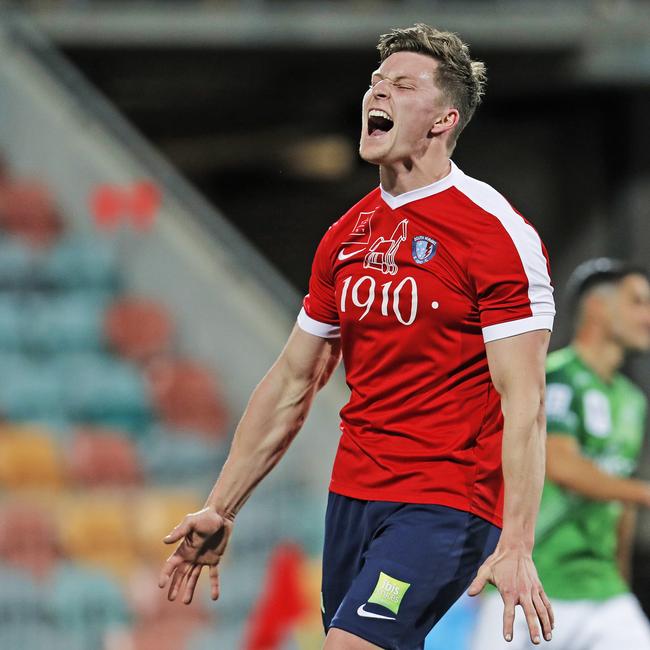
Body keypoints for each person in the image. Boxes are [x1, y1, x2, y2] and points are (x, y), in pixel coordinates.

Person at [159, 23, 556, 649]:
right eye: (376, 82)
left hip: (446, 499)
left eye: (402, 84)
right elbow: (295, 379)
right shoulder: (346, 235)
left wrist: (517, 542)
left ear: (443, 120)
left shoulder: (496, 234)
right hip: (353, 498)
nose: (379, 92)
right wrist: (222, 506)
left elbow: (526, 402)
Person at [471, 258, 650, 650]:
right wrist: (643, 492)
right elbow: (560, 463)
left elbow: (617, 497)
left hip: (601, 591)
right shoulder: (553, 376)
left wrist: (621, 575)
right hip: (529, 581)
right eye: (638, 302)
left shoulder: (632, 402)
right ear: (598, 308)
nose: (647, 316)